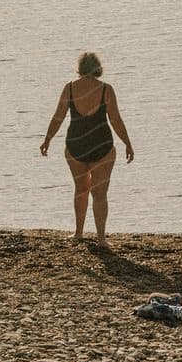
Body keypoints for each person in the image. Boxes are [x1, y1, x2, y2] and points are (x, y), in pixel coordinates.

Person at [40, 52, 134, 245]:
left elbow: (58, 117)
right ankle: (101, 239)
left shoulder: (70, 89)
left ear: (81, 68)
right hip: (102, 145)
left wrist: (47, 139)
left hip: (76, 144)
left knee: (80, 189)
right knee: (100, 193)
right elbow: (115, 119)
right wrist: (127, 142)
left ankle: (79, 233)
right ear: (98, 68)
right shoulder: (106, 89)